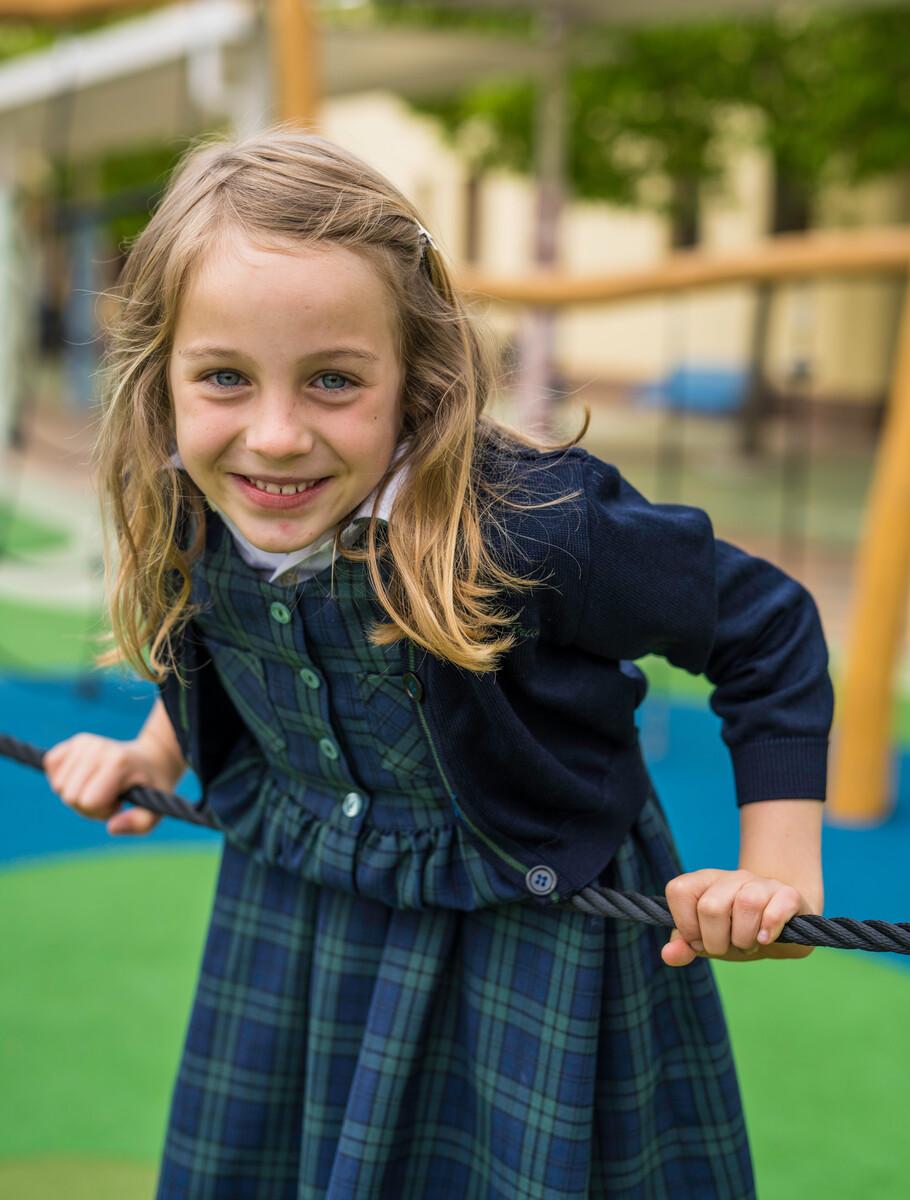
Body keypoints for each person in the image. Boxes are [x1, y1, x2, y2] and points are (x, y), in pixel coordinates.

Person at [43, 126, 831, 1200]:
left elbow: (766, 625)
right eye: (225, 376)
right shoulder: (188, 490)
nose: (273, 436)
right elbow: (224, 636)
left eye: (331, 381)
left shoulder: (529, 521)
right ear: (161, 378)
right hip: (299, 914)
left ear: (417, 376)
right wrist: (152, 751)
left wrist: (778, 869)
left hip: (532, 933)